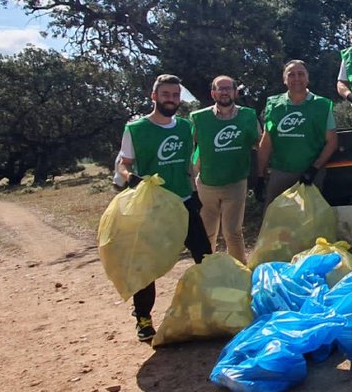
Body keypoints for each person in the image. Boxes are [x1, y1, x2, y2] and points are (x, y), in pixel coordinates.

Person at [116, 74, 212, 342]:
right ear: (154, 96)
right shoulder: (135, 129)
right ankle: (143, 318)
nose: (171, 99)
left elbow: (187, 164)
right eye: (166, 94)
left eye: (175, 95)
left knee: (205, 256)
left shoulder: (185, 127)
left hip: (183, 200)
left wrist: (194, 192)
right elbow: (124, 163)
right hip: (153, 205)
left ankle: (213, 306)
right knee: (146, 263)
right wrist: (129, 177)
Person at [190, 75, 259, 265]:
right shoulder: (198, 118)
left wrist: (261, 174)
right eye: (220, 88)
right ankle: (206, 271)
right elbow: (188, 148)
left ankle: (239, 272)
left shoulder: (248, 116)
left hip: (236, 182)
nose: (224, 92)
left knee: (233, 232)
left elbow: (259, 144)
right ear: (213, 93)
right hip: (206, 183)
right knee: (207, 232)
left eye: (228, 88)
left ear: (235, 92)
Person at [256, 60, 339, 205]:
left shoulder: (322, 105)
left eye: (301, 74)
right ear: (284, 79)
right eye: (291, 75)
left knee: (310, 216)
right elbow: (266, 142)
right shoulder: (273, 105)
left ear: (307, 78)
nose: (296, 78)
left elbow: (332, 142)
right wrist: (260, 176)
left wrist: (314, 168)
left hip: (311, 174)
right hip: (280, 172)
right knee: (273, 215)